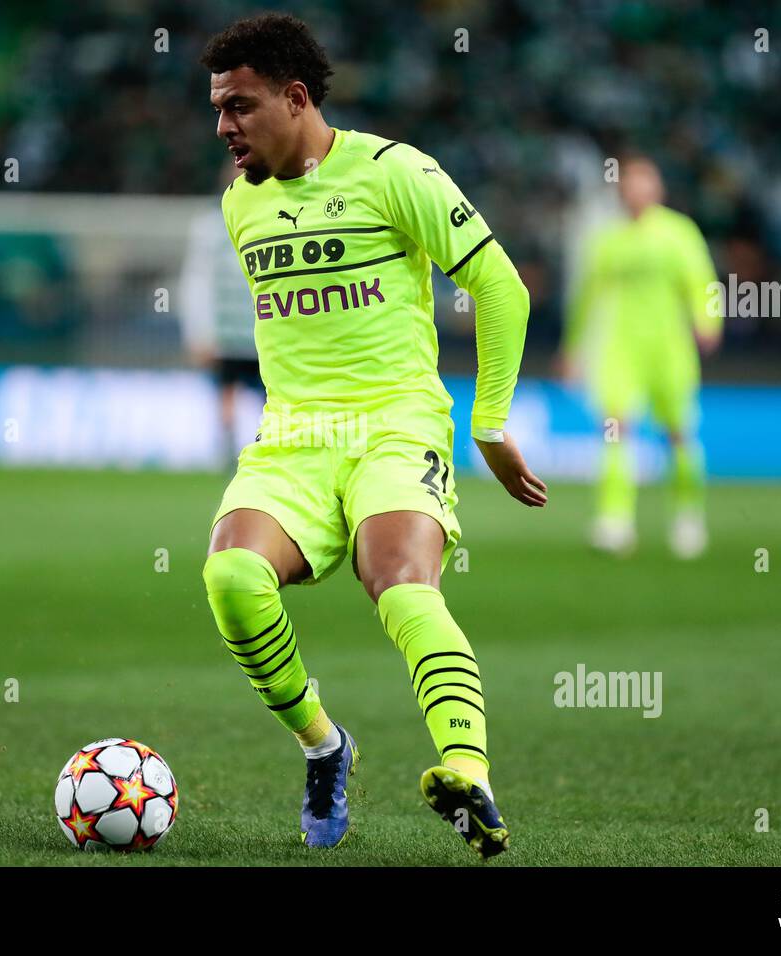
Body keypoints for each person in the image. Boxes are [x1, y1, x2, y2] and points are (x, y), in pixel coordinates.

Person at [199, 13, 545, 858]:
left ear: (295, 96)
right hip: (292, 436)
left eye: (240, 106)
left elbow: (501, 289)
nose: (223, 127)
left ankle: (469, 773)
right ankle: (324, 746)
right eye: (216, 108)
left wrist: (489, 423)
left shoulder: (396, 171)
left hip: (396, 423)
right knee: (234, 577)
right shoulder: (239, 203)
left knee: (397, 581)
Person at [557, 156, 721, 558]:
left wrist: (708, 321)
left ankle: (687, 515)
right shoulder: (608, 240)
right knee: (614, 430)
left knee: (679, 435)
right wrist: (573, 347)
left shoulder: (678, 233)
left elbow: (703, 283)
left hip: (669, 349)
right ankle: (615, 522)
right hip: (620, 349)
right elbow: (587, 297)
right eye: (629, 184)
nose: (635, 192)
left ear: (657, 190)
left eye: (643, 184)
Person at [179, 160, 266, 464]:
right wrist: (199, 332)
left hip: (266, 330)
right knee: (227, 390)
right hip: (227, 331)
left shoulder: (272, 220)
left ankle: (268, 447)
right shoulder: (209, 227)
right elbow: (196, 282)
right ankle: (227, 450)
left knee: (271, 395)